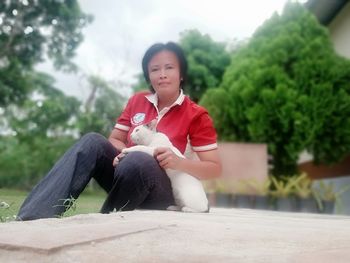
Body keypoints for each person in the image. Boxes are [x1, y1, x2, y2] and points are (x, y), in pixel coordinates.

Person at [17, 41, 222, 221]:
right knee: (92, 142)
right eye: (154, 70)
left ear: (181, 73)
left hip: (166, 191)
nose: (162, 75)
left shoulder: (197, 115)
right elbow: (115, 139)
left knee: (138, 160)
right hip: (126, 173)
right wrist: (121, 153)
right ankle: (32, 218)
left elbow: (214, 168)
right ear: (148, 76)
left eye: (169, 67)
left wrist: (179, 162)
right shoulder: (137, 101)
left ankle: (103, 224)